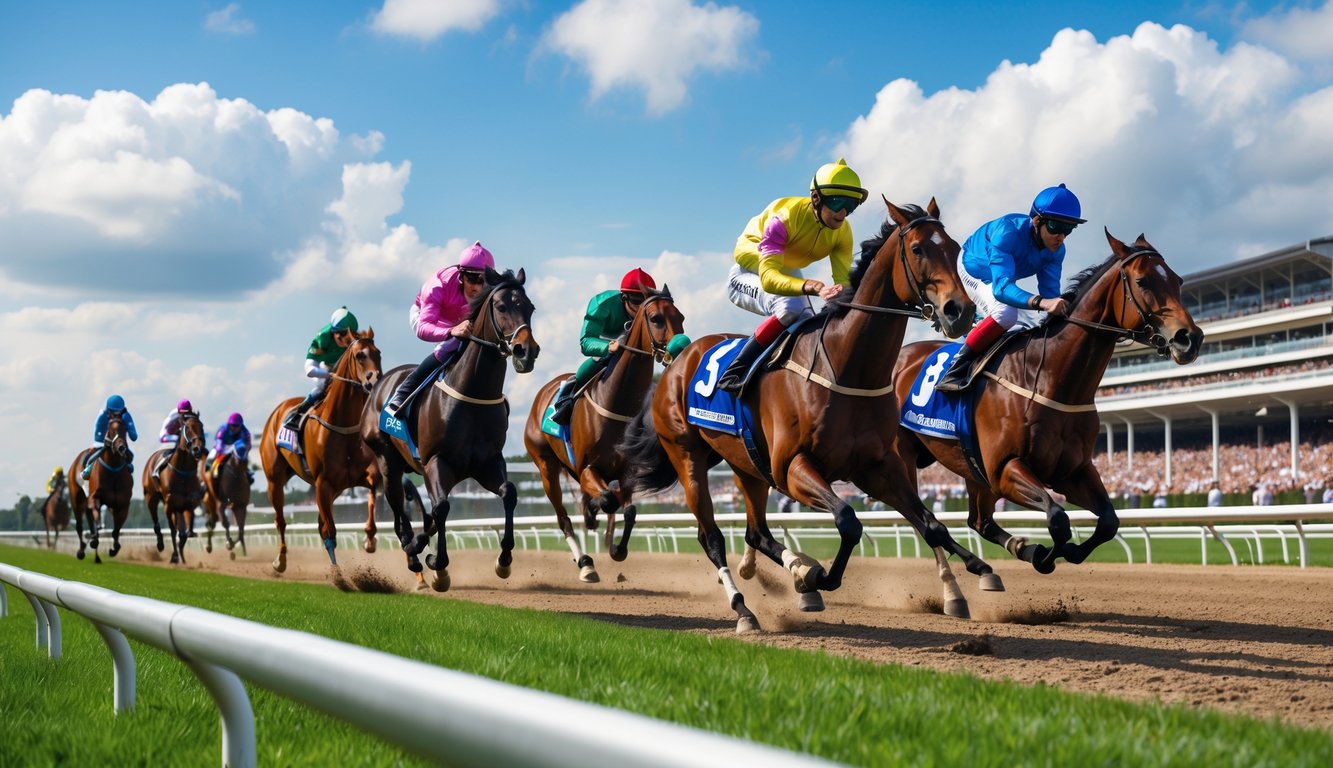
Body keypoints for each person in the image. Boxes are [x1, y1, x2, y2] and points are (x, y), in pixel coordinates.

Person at [716, 158, 867, 392]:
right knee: (790, 309)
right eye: (838, 203)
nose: (843, 213)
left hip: (784, 269)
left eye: (852, 205)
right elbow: (768, 278)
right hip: (750, 270)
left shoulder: (842, 232)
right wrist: (813, 287)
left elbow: (843, 283)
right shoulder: (784, 218)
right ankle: (735, 370)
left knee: (809, 323)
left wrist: (840, 293)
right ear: (816, 198)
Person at [934, 183, 1085, 392]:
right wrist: (1042, 302)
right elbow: (1001, 289)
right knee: (1005, 314)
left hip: (1001, 278)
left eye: (1068, 229)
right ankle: (955, 368)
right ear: (1037, 221)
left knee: (1035, 323)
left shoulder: (1056, 251)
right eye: (1056, 228)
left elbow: (1050, 295)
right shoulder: (1007, 232)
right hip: (973, 268)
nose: (1061, 237)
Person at [383, 241, 494, 420]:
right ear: (461, 276)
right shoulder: (437, 286)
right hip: (428, 317)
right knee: (454, 342)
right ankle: (403, 391)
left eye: (484, 280)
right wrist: (451, 331)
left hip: (461, 319)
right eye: (473, 279)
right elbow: (423, 329)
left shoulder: (488, 289)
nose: (478, 287)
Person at [549, 267, 657, 426]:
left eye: (645, 301)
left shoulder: (651, 311)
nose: (642, 308)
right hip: (603, 339)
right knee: (604, 356)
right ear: (623, 298)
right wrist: (607, 347)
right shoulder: (602, 304)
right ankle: (567, 399)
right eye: (636, 301)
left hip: (630, 343)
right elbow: (586, 341)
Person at [284, 306, 359, 430]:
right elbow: (309, 370)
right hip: (325, 367)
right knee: (321, 386)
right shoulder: (323, 338)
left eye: (346, 333)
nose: (342, 337)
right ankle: (297, 415)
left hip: (343, 369)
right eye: (338, 333)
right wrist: (328, 375)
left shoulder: (355, 340)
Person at [82, 394, 139, 478]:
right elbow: (97, 436)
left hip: (121, 446)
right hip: (103, 444)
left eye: (118, 413)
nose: (116, 416)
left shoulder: (126, 416)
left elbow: (134, 437)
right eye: (113, 413)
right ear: (108, 411)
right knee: (89, 460)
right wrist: (108, 442)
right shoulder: (103, 415)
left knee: (130, 464)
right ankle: (89, 469)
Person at [152, 399, 196, 476]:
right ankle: (158, 468)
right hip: (166, 435)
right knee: (178, 442)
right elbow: (165, 430)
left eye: (187, 413)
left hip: (179, 434)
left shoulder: (191, 415)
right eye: (183, 413)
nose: (185, 415)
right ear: (179, 412)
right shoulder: (173, 416)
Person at [207, 412, 253, 482]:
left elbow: (248, 446)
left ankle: (247, 471)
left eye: (236, 426)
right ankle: (208, 470)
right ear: (229, 424)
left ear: (241, 425)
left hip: (236, 446)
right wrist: (220, 450)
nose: (234, 428)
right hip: (223, 445)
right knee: (212, 455)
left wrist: (245, 448)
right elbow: (219, 441)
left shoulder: (245, 432)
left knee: (242, 452)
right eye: (232, 425)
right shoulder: (223, 428)